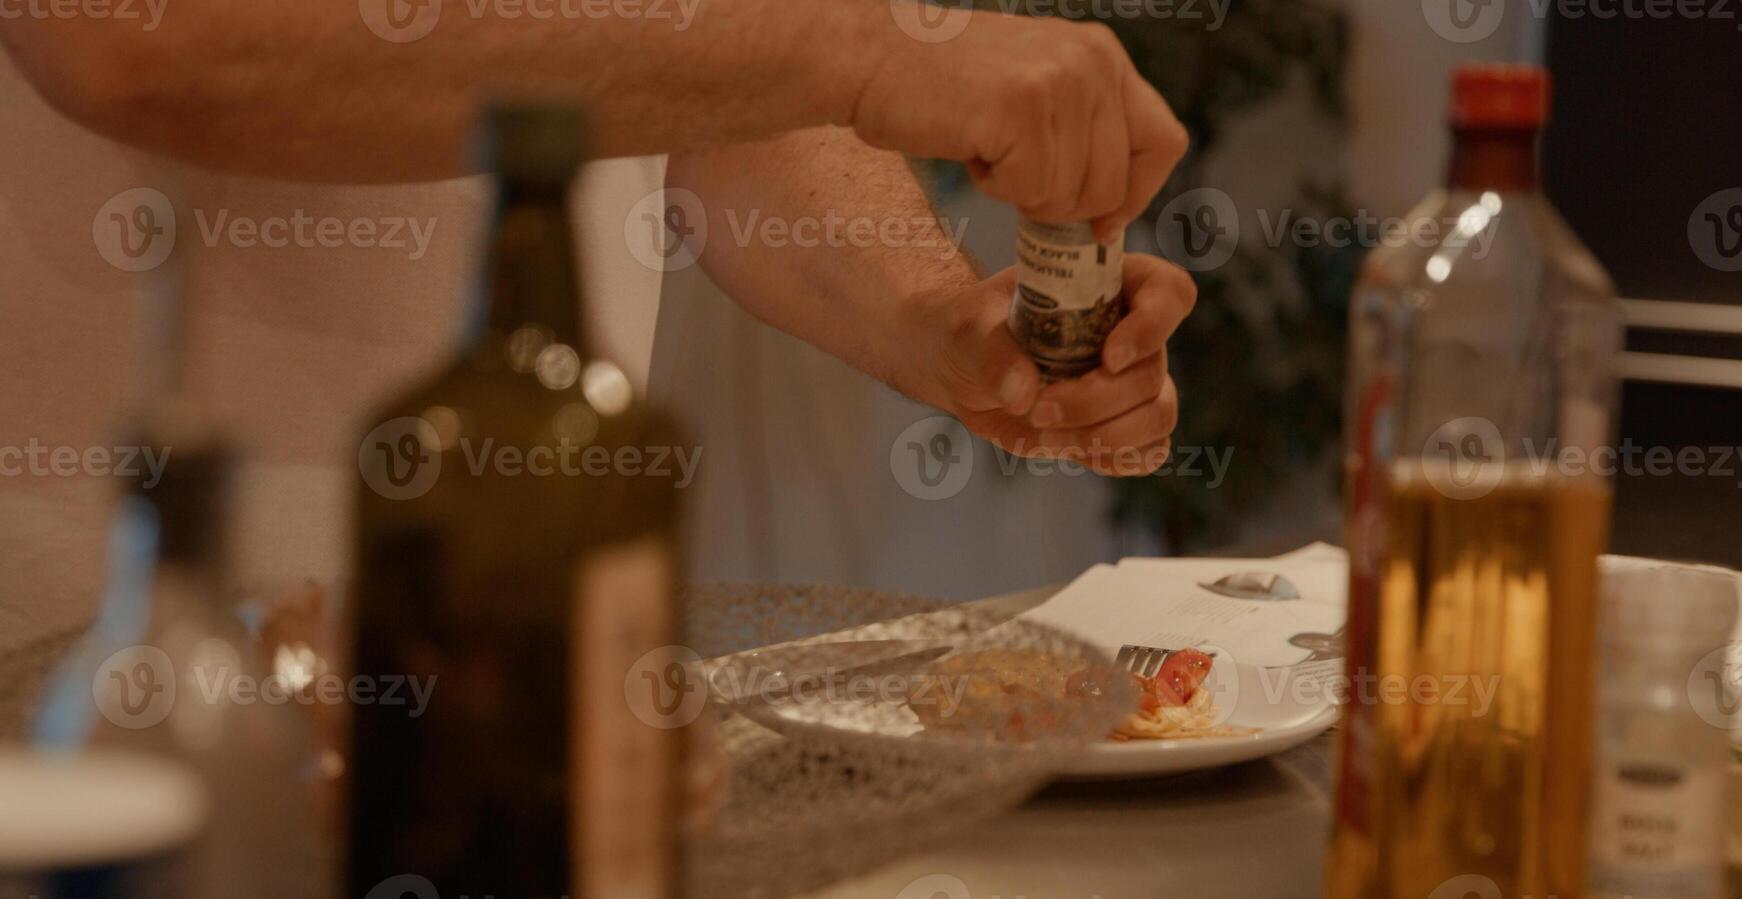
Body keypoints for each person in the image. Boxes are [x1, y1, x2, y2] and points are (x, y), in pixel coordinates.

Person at [0, 2, 1195, 667]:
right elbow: (130, 37)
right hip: (71, 664)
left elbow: (721, 93)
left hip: (506, 654)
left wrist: (931, 317)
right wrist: (865, 49)